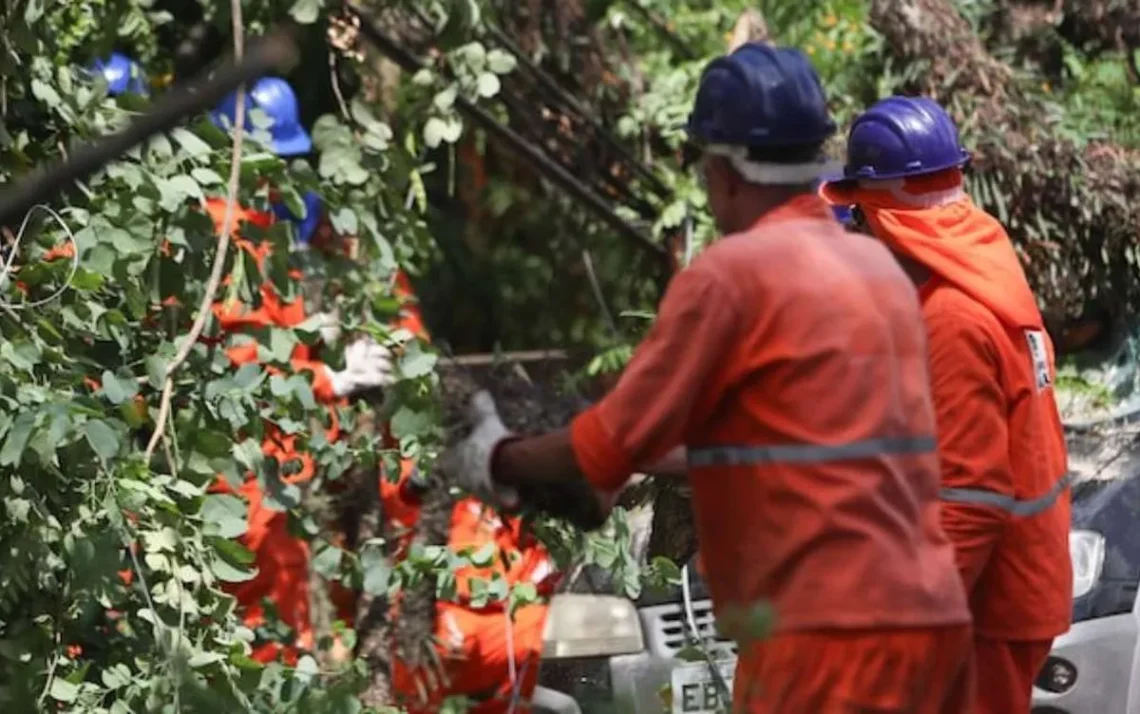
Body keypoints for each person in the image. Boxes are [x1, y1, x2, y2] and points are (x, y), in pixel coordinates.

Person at [443, 44, 973, 713]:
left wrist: (495, 455)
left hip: (822, 645)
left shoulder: (731, 278)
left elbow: (605, 445)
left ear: (722, 171)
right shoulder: (880, 277)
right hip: (932, 625)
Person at [820, 95, 1072, 714]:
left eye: (859, 217)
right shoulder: (984, 270)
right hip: (1008, 587)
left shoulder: (953, 319)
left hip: (981, 607)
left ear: (886, 217)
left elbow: (970, 502)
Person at [206, 76, 395, 663]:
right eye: (267, 160)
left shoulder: (262, 235)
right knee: (255, 631)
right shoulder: (223, 236)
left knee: (286, 628)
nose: (277, 175)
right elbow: (238, 375)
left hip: (272, 479)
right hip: (237, 478)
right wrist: (327, 382)